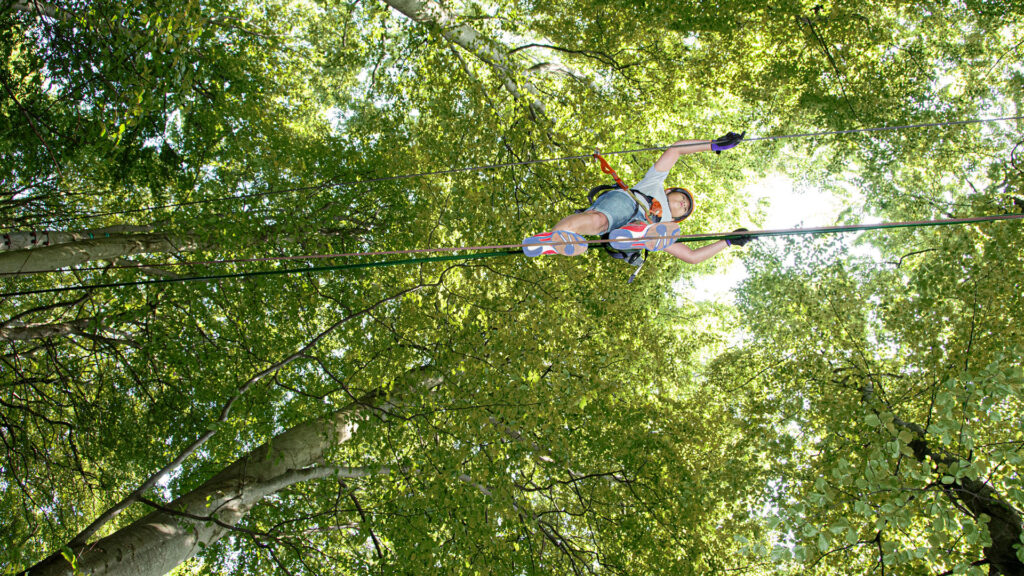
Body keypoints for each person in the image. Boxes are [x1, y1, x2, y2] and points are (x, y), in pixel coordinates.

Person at [523, 132, 754, 263]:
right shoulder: (653, 182)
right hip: (628, 202)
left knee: (629, 236)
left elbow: (692, 257)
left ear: (678, 218)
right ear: (668, 192)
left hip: (647, 230)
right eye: (683, 198)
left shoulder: (664, 228)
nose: (684, 204)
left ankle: (635, 235)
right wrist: (713, 145)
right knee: (597, 221)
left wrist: (728, 242)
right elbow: (676, 150)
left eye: (685, 210)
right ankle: (552, 239)